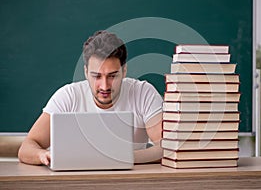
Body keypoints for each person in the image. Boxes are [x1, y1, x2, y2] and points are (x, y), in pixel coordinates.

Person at [18, 30, 163, 165]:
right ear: (86, 72)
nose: (104, 86)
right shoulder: (68, 96)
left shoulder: (143, 93)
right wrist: (42, 155)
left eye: (112, 76)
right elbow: (27, 147)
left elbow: (169, 147)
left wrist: (122, 158)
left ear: (124, 71)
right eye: (97, 76)